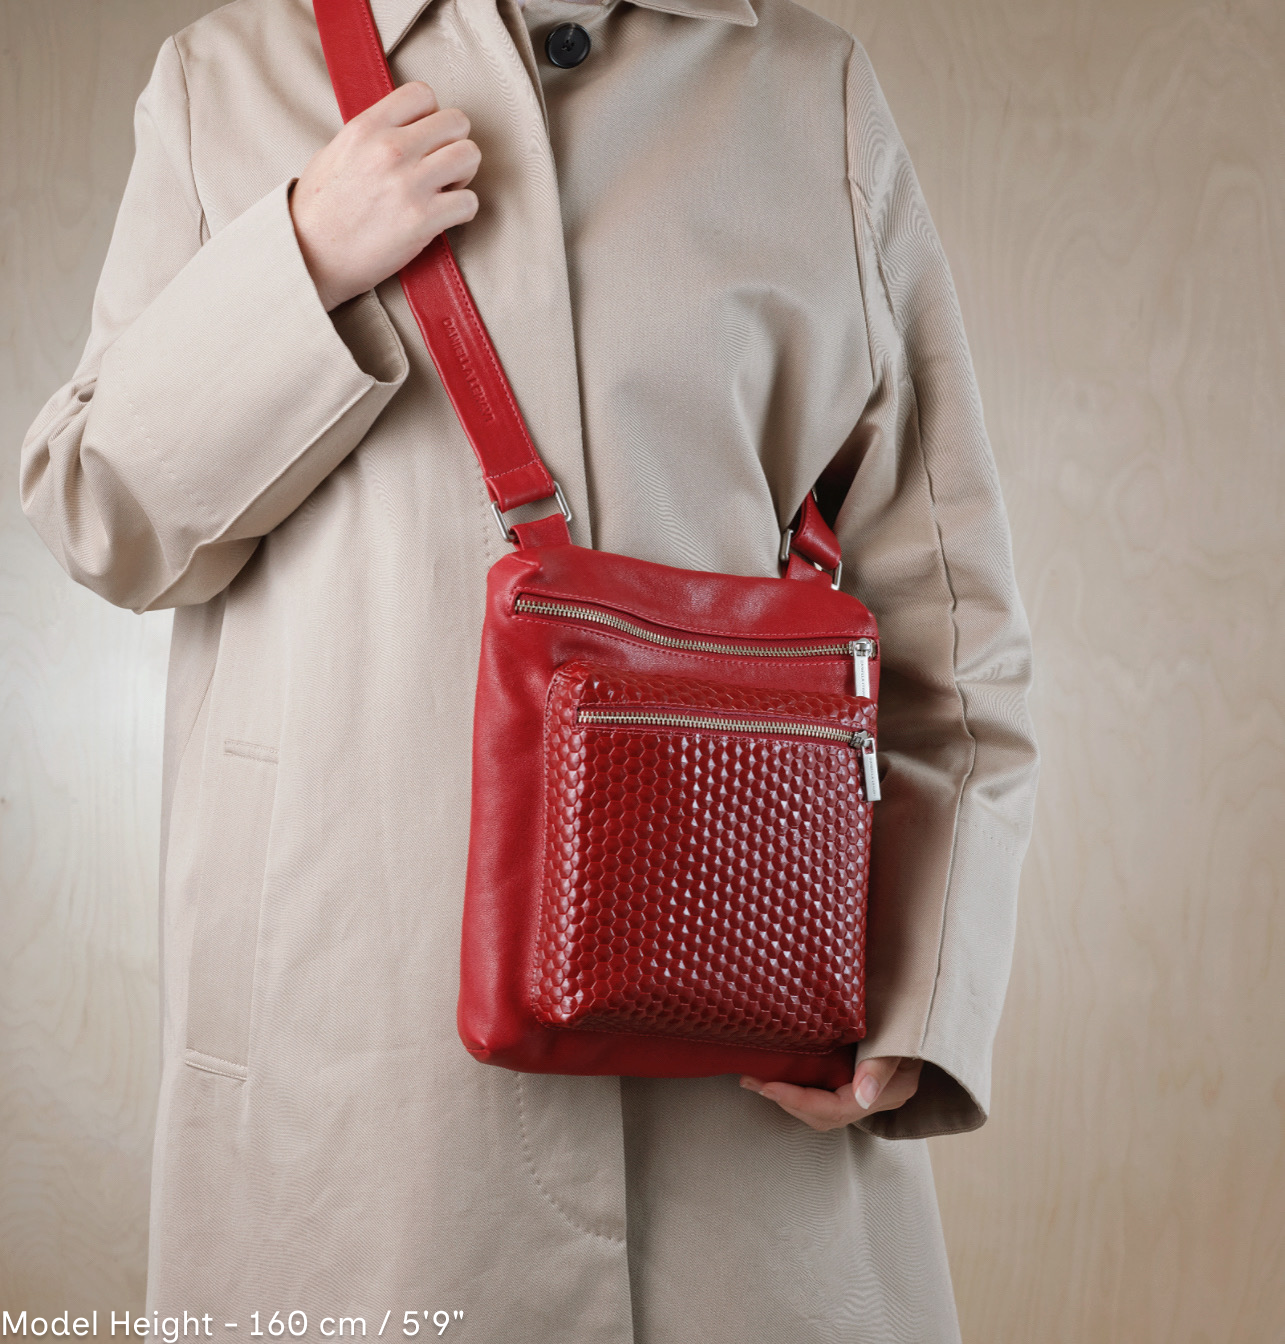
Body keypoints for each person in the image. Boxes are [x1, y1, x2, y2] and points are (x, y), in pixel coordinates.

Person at [18, 0, 1039, 1338]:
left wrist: (914, 1000)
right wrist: (300, 257)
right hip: (359, 1088)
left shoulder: (808, 92)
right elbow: (102, 513)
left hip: (740, 1069)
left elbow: (944, 614)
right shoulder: (228, 80)